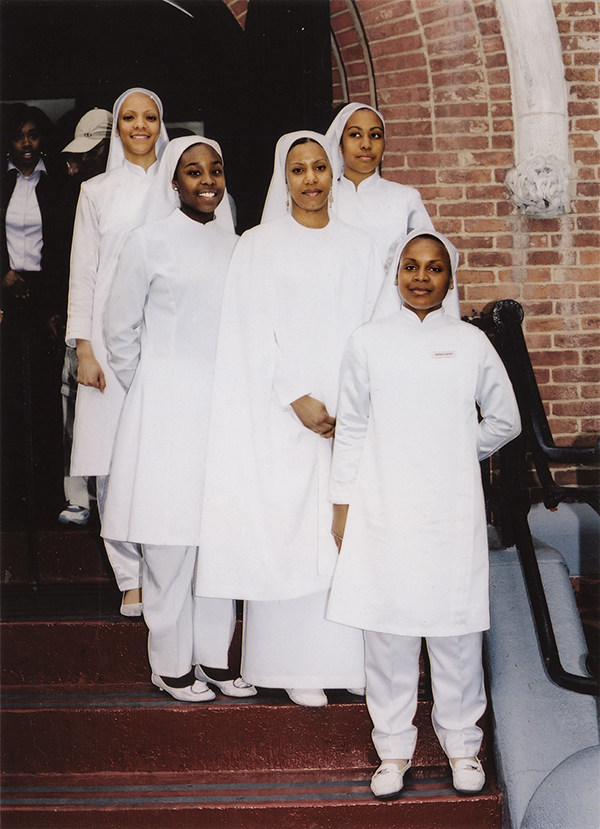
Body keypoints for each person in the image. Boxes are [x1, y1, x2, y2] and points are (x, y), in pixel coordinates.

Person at [326, 230, 521, 799]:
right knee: (387, 632)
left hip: (451, 509)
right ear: (396, 274)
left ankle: (463, 747)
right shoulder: (367, 341)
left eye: (433, 268)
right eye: (410, 266)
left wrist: (461, 450)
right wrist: (343, 505)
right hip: (382, 505)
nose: (420, 277)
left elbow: (504, 420)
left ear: (449, 278)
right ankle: (392, 749)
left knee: (454, 629)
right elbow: (354, 428)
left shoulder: (470, 343)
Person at [197, 131, 387, 706]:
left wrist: (357, 398)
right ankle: (292, 664)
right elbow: (250, 331)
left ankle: (348, 663)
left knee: (345, 533)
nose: (311, 180)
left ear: (333, 175)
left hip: (349, 413)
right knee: (288, 530)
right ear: (285, 178)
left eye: (320, 168)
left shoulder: (362, 245)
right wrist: (297, 397)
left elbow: (377, 325)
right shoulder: (259, 244)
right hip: (283, 415)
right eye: (299, 170)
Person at [102, 135, 254, 702]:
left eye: (216, 169)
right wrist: (158, 383)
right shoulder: (148, 242)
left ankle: (213, 657)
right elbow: (120, 332)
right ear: (174, 181)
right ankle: (169, 663)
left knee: (217, 537)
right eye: (194, 171)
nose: (208, 180)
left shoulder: (237, 244)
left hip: (224, 409)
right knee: (169, 539)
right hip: (167, 408)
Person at [66, 88, 169, 614]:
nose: (140, 126)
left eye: (149, 117)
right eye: (129, 118)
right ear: (117, 127)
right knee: (110, 460)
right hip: (107, 342)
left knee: (161, 456)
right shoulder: (96, 191)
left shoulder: (181, 183)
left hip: (168, 340)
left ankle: (166, 573)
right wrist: (85, 347)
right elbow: (83, 272)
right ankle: (130, 575)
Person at [325, 103, 465, 316]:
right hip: (335, 310)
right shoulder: (325, 200)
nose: (366, 144)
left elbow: (432, 258)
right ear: (339, 144)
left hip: (390, 314)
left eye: (375, 135)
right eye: (355, 135)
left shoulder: (405, 198)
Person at [1, 103, 63, 527]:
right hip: (5, 290)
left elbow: (63, 245)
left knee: (44, 397)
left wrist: (55, 307)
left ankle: (45, 498)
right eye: (19, 136)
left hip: (43, 294)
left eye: (33, 135)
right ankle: (11, 496)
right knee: (8, 393)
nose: (26, 144)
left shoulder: (57, 182)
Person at [55, 108, 113, 526]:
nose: (82, 160)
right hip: (83, 328)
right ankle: (79, 497)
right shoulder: (79, 192)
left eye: (91, 152)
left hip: (120, 328)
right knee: (74, 409)